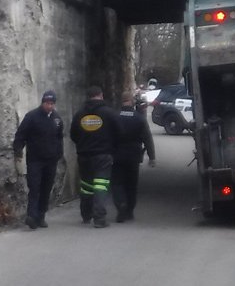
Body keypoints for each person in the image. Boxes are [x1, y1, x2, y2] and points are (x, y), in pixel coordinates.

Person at [70, 85, 121, 228]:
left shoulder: (79, 114)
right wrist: (112, 147)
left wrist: (83, 145)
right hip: (103, 155)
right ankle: (99, 218)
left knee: (86, 185)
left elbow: (73, 134)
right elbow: (120, 132)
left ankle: (86, 215)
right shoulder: (109, 114)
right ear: (101, 96)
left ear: (88, 97)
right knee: (100, 186)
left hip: (84, 155)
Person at [13, 90, 64, 230]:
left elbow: (59, 138)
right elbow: (21, 134)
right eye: (47, 103)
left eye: (52, 103)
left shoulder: (57, 119)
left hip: (51, 160)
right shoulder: (32, 117)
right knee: (34, 187)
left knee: (46, 188)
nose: (50, 106)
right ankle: (31, 216)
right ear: (43, 103)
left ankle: (41, 216)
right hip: (35, 159)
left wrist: (59, 153)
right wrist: (18, 149)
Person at [112, 91, 156, 222]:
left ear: (121, 102)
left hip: (117, 155)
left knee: (117, 183)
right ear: (131, 102)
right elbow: (147, 138)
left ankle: (121, 205)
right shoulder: (139, 118)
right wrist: (152, 157)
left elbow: (107, 136)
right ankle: (130, 210)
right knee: (131, 184)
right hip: (134, 156)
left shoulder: (114, 117)